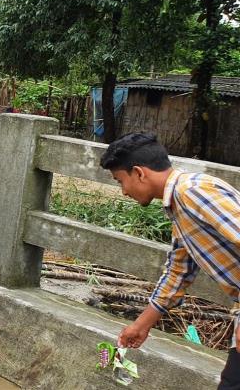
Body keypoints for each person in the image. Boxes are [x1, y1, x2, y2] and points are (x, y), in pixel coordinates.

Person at [105, 133, 240, 389]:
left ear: (139, 173)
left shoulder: (194, 192)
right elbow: (179, 272)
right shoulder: (178, 205)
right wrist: (141, 325)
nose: (123, 191)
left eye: (121, 181)